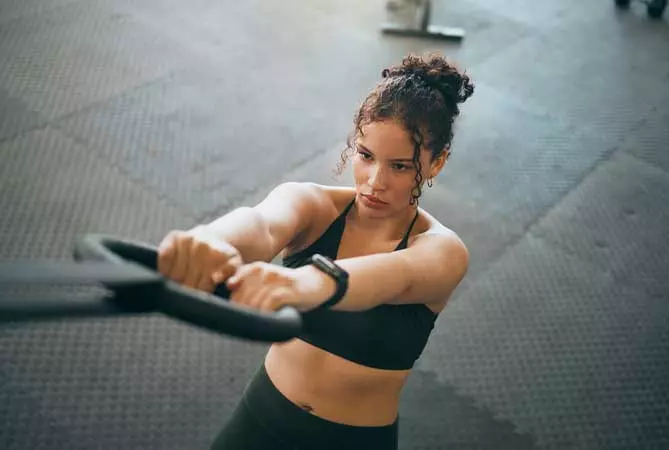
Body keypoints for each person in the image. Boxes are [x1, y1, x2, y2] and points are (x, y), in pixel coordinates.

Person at [156, 52, 475, 450]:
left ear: (436, 163)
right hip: (260, 417)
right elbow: (261, 223)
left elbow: (391, 276)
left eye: (400, 166)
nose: (375, 181)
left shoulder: (443, 252)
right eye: (366, 156)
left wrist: (300, 284)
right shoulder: (311, 205)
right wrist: (209, 239)